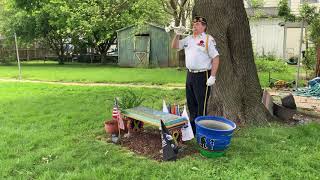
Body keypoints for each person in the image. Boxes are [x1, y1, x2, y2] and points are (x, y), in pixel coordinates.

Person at [171, 16, 220, 133]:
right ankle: (193, 130)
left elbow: (216, 57)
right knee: (191, 103)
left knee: (201, 104)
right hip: (190, 75)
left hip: (202, 75)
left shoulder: (208, 39)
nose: (195, 26)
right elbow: (174, 46)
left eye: (198, 24)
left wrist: (213, 76)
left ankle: (201, 131)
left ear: (204, 27)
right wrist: (177, 34)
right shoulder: (188, 39)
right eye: (194, 24)